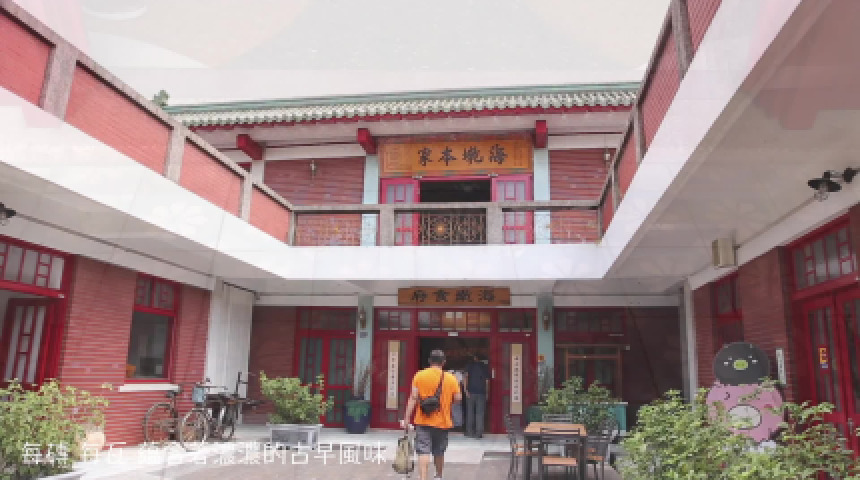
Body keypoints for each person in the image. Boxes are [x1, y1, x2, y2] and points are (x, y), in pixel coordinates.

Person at [401, 350, 462, 480]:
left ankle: (423, 477)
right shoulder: (451, 378)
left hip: (423, 421)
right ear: (444, 362)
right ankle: (438, 476)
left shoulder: (419, 375)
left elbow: (413, 397)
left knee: (423, 450)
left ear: (429, 361)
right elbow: (458, 398)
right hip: (443, 422)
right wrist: (446, 401)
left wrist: (406, 418)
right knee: (439, 451)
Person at [463, 352, 490, 438]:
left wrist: (465, 390)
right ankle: (479, 433)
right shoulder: (485, 367)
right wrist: (487, 392)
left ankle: (469, 432)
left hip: (470, 392)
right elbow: (487, 381)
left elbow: (466, 377)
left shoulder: (469, 366)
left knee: (470, 412)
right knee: (480, 413)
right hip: (481, 392)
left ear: (475, 358)